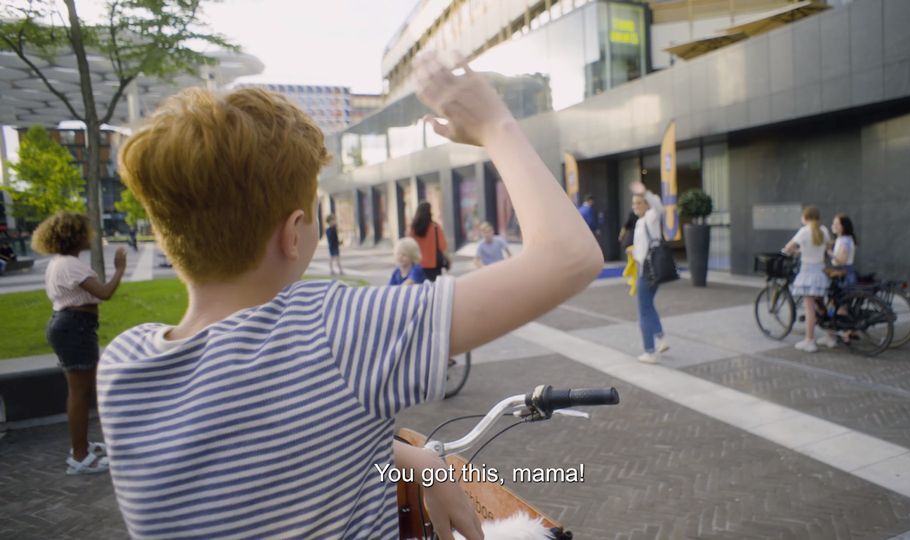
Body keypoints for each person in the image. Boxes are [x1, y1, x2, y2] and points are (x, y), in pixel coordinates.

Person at [99, 52, 602, 539]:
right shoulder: (326, 331)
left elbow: (271, 442)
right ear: (294, 233)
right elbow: (570, 256)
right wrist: (496, 125)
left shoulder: (122, 366)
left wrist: (423, 463)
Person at [31, 212, 126, 475]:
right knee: (80, 393)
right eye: (86, 231)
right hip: (75, 327)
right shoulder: (71, 265)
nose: (90, 235)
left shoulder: (60, 262)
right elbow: (105, 293)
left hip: (70, 325)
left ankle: (82, 446)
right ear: (74, 236)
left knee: (82, 391)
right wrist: (119, 269)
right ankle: (80, 457)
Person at [629, 185, 670, 364]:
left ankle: (649, 351)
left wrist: (645, 192)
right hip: (645, 268)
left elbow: (660, 207)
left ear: (646, 205)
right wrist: (634, 251)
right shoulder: (639, 222)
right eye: (633, 203)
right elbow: (643, 246)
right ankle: (661, 338)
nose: (635, 206)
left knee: (643, 310)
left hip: (648, 270)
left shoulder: (651, 218)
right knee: (648, 305)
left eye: (639, 203)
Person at [782, 206, 832, 353]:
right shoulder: (823, 230)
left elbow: (788, 247)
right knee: (822, 306)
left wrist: (786, 251)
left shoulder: (804, 231)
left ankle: (809, 340)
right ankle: (831, 336)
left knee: (809, 308)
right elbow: (827, 247)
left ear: (806, 217)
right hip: (821, 272)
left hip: (807, 273)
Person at [819, 213, 858, 348]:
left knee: (833, 305)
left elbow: (841, 259)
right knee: (841, 306)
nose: (833, 226)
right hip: (847, 275)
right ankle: (845, 331)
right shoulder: (845, 239)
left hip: (842, 276)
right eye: (833, 223)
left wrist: (829, 251)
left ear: (843, 226)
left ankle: (832, 336)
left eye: (836, 224)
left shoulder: (845, 240)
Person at [408, 201, 451, 282]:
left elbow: (408, 246)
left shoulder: (412, 229)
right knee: (432, 290)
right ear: (430, 212)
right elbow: (442, 247)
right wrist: (449, 260)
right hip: (433, 265)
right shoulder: (435, 228)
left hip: (416, 265)